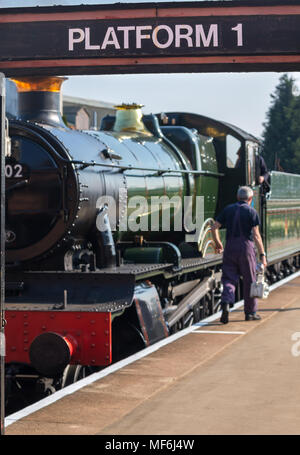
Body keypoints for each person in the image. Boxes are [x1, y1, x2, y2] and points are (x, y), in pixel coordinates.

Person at [211, 186, 267, 324]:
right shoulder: (252, 212)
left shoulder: (228, 209)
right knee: (250, 280)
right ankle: (250, 313)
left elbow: (213, 227)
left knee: (229, 279)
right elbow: (256, 236)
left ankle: (225, 302)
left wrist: (218, 243)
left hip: (230, 247)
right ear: (250, 199)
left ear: (237, 197)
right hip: (246, 248)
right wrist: (262, 255)